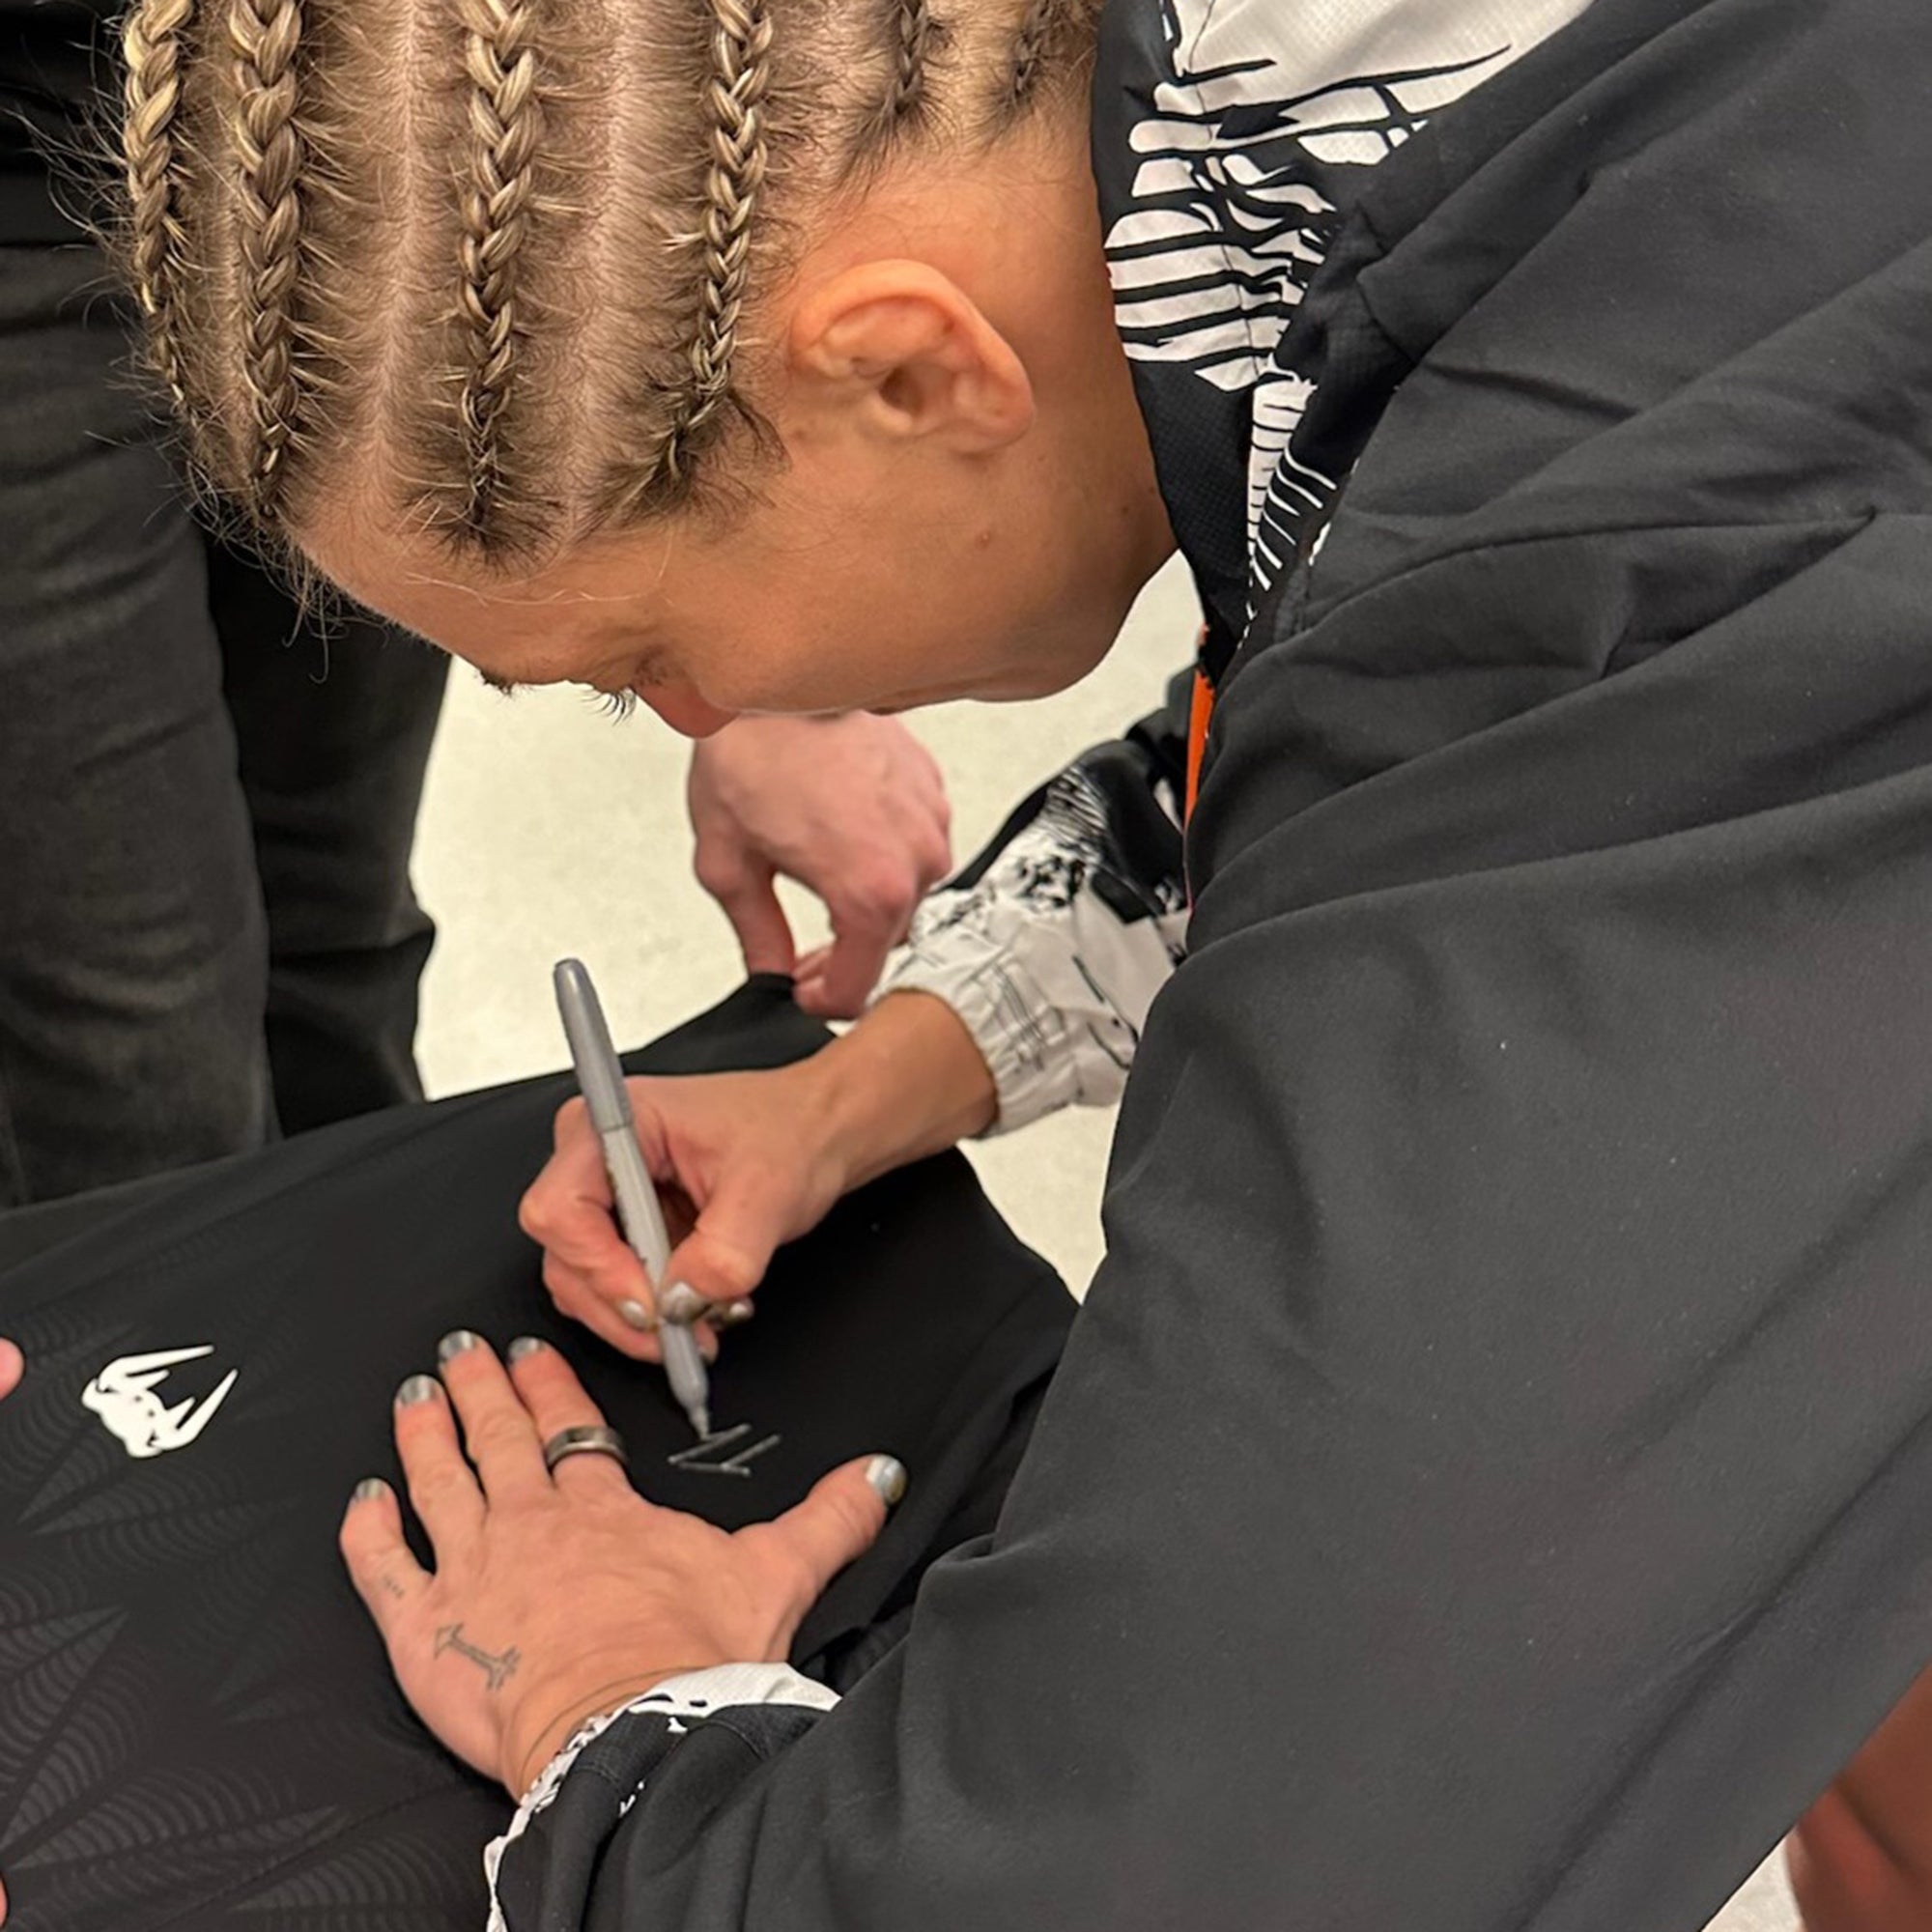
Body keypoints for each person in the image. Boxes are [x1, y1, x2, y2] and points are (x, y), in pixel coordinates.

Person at [81, 0, 1932, 1927]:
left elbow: (1176, 1857)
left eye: (642, 662)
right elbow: (1388, 712)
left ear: (906, 369)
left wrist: (615, 1712)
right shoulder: (1393, 153)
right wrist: (869, 1087)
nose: (701, 719)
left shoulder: (1645, 589)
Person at [0, 0, 953, 1208]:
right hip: (36, 189)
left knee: (338, 918)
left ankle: (359, 1283)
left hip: (359, 142)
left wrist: (786, 680)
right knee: (137, 1045)